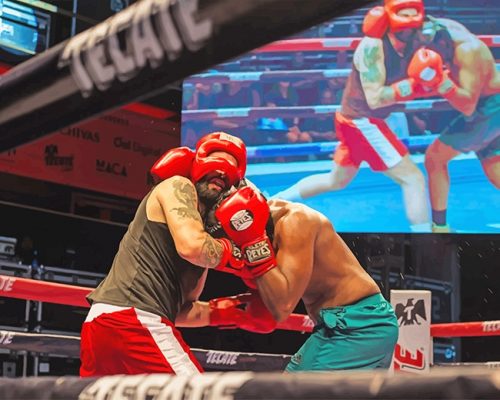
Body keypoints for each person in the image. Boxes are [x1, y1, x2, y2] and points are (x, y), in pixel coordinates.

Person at [79, 131, 251, 377]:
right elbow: (193, 248)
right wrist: (235, 253)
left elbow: (182, 309)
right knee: (201, 393)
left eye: (230, 170)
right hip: (133, 320)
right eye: (216, 162)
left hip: (106, 324)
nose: (222, 173)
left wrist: (228, 313)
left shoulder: (202, 231)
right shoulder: (177, 185)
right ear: (196, 164)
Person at [201, 183, 399, 371]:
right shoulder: (270, 225)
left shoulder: (296, 221)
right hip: (358, 324)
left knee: (292, 388)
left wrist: (252, 243)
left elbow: (282, 307)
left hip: (355, 326)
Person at [273, 0, 432, 232]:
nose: (410, 25)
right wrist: (414, 86)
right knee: (413, 178)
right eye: (404, 18)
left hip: (360, 120)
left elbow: (441, 38)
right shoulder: (372, 47)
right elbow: (375, 99)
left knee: (336, 180)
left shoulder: (415, 41)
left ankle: (274, 201)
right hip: (361, 121)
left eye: (413, 18)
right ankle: (427, 240)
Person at [419, 17, 500, 232]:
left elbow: (467, 107)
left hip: (488, 108)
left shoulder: (467, 50)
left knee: (435, 158)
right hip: (491, 106)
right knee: (494, 166)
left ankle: (439, 227)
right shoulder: (441, 27)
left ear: (441, 42)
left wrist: (440, 82)